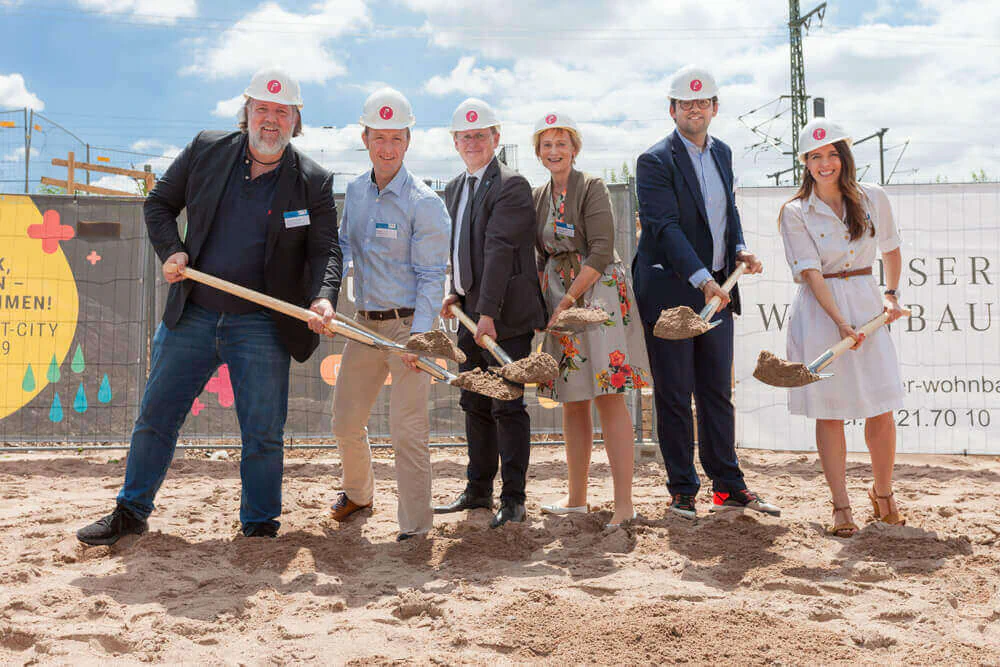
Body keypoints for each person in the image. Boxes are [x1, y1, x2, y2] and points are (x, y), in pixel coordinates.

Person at [76, 68, 342, 545]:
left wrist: (323, 297)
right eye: (262, 108)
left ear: (296, 120)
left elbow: (326, 250)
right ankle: (131, 511)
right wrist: (171, 250)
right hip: (193, 314)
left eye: (282, 111)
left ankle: (259, 527)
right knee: (156, 417)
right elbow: (158, 204)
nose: (270, 120)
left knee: (263, 433)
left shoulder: (313, 182)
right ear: (246, 112)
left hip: (262, 323)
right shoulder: (206, 149)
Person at [633, 65, 779, 520]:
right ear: (672, 110)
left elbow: (727, 210)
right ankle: (682, 490)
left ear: (715, 108)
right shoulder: (653, 161)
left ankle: (728, 485)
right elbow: (665, 227)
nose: (695, 109)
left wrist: (739, 249)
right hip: (672, 290)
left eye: (703, 102)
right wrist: (702, 278)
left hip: (717, 288)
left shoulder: (724, 153)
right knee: (675, 392)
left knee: (716, 389)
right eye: (685, 103)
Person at [327, 88, 450, 542]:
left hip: (408, 328)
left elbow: (432, 275)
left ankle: (416, 527)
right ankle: (359, 493)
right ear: (364, 138)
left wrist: (420, 337)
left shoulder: (424, 203)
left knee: (408, 432)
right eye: (379, 137)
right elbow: (340, 248)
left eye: (396, 138)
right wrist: (322, 294)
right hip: (364, 324)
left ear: (408, 141)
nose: (387, 147)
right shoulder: (356, 192)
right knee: (344, 420)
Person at [778, 118, 907, 537]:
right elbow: (811, 273)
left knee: (881, 405)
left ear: (844, 156)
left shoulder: (874, 197)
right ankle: (841, 505)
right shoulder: (795, 211)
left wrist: (890, 294)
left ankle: (883, 494)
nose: (825, 163)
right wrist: (840, 323)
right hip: (821, 313)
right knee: (830, 412)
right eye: (815, 156)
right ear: (805, 163)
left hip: (868, 305)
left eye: (832, 153)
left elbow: (891, 248)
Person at [530, 112, 649, 528]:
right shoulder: (538, 196)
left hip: (597, 295)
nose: (554, 151)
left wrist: (569, 300)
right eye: (546, 145)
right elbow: (539, 254)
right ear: (538, 152)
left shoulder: (593, 188)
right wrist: (549, 304)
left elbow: (601, 251)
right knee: (572, 397)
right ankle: (576, 499)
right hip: (560, 296)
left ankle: (623, 505)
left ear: (574, 149)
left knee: (608, 395)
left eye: (561, 143)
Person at [434, 98, 547, 528]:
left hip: (503, 320)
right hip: (472, 316)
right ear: (455, 142)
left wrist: (487, 314)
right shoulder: (455, 187)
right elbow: (460, 249)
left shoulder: (512, 186)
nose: (473, 142)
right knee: (473, 403)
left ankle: (513, 499)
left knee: (507, 406)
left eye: (481, 135)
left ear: (496, 138)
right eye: (465, 136)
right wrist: (454, 292)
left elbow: (499, 251)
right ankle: (477, 491)